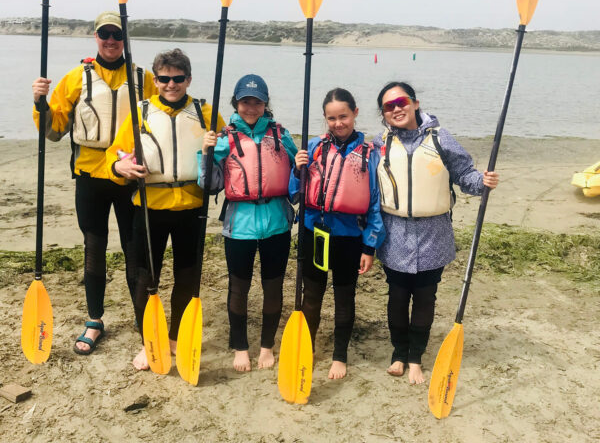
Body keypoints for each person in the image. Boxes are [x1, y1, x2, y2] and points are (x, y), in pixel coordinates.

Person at [32, 11, 156, 355]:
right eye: (105, 35)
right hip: (89, 175)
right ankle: (94, 320)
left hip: (129, 175)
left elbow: (160, 117)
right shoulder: (75, 78)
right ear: (96, 37)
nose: (111, 41)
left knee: (136, 250)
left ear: (125, 38)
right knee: (93, 249)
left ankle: (142, 317)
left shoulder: (143, 78)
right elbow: (54, 131)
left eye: (117, 35)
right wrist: (40, 102)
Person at [373, 81, 499, 385]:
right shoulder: (378, 144)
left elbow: (464, 174)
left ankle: (416, 356)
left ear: (415, 103)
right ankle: (399, 353)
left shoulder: (441, 138)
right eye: (389, 107)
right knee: (398, 296)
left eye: (401, 102)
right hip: (395, 233)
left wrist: (483, 181)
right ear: (384, 114)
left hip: (434, 233)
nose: (396, 109)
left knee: (426, 296)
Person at [107, 48, 225, 370]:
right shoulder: (141, 112)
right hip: (150, 207)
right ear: (155, 80)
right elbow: (114, 156)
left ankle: (175, 338)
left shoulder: (205, 112)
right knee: (146, 278)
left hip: (191, 207)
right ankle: (151, 341)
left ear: (188, 79)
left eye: (177, 79)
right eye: (163, 79)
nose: (170, 85)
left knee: (188, 277)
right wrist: (121, 168)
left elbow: (231, 146)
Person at [199, 74, 297, 372]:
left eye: (257, 102)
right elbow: (207, 182)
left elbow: (301, 171)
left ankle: (266, 346)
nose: (251, 108)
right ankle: (240, 346)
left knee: (273, 286)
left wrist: (306, 162)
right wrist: (205, 151)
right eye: (245, 102)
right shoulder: (224, 138)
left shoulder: (281, 135)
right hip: (238, 223)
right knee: (238, 287)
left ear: (266, 104)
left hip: (277, 222)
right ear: (236, 103)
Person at [291, 88, 385, 380]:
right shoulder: (315, 147)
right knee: (312, 296)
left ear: (355, 113)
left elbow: (376, 205)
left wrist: (370, 246)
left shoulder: (370, 154)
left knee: (344, 297)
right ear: (325, 119)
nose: (338, 123)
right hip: (314, 232)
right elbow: (295, 193)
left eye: (343, 116)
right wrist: (297, 170)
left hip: (349, 238)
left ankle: (340, 356)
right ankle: (306, 346)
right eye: (331, 118)